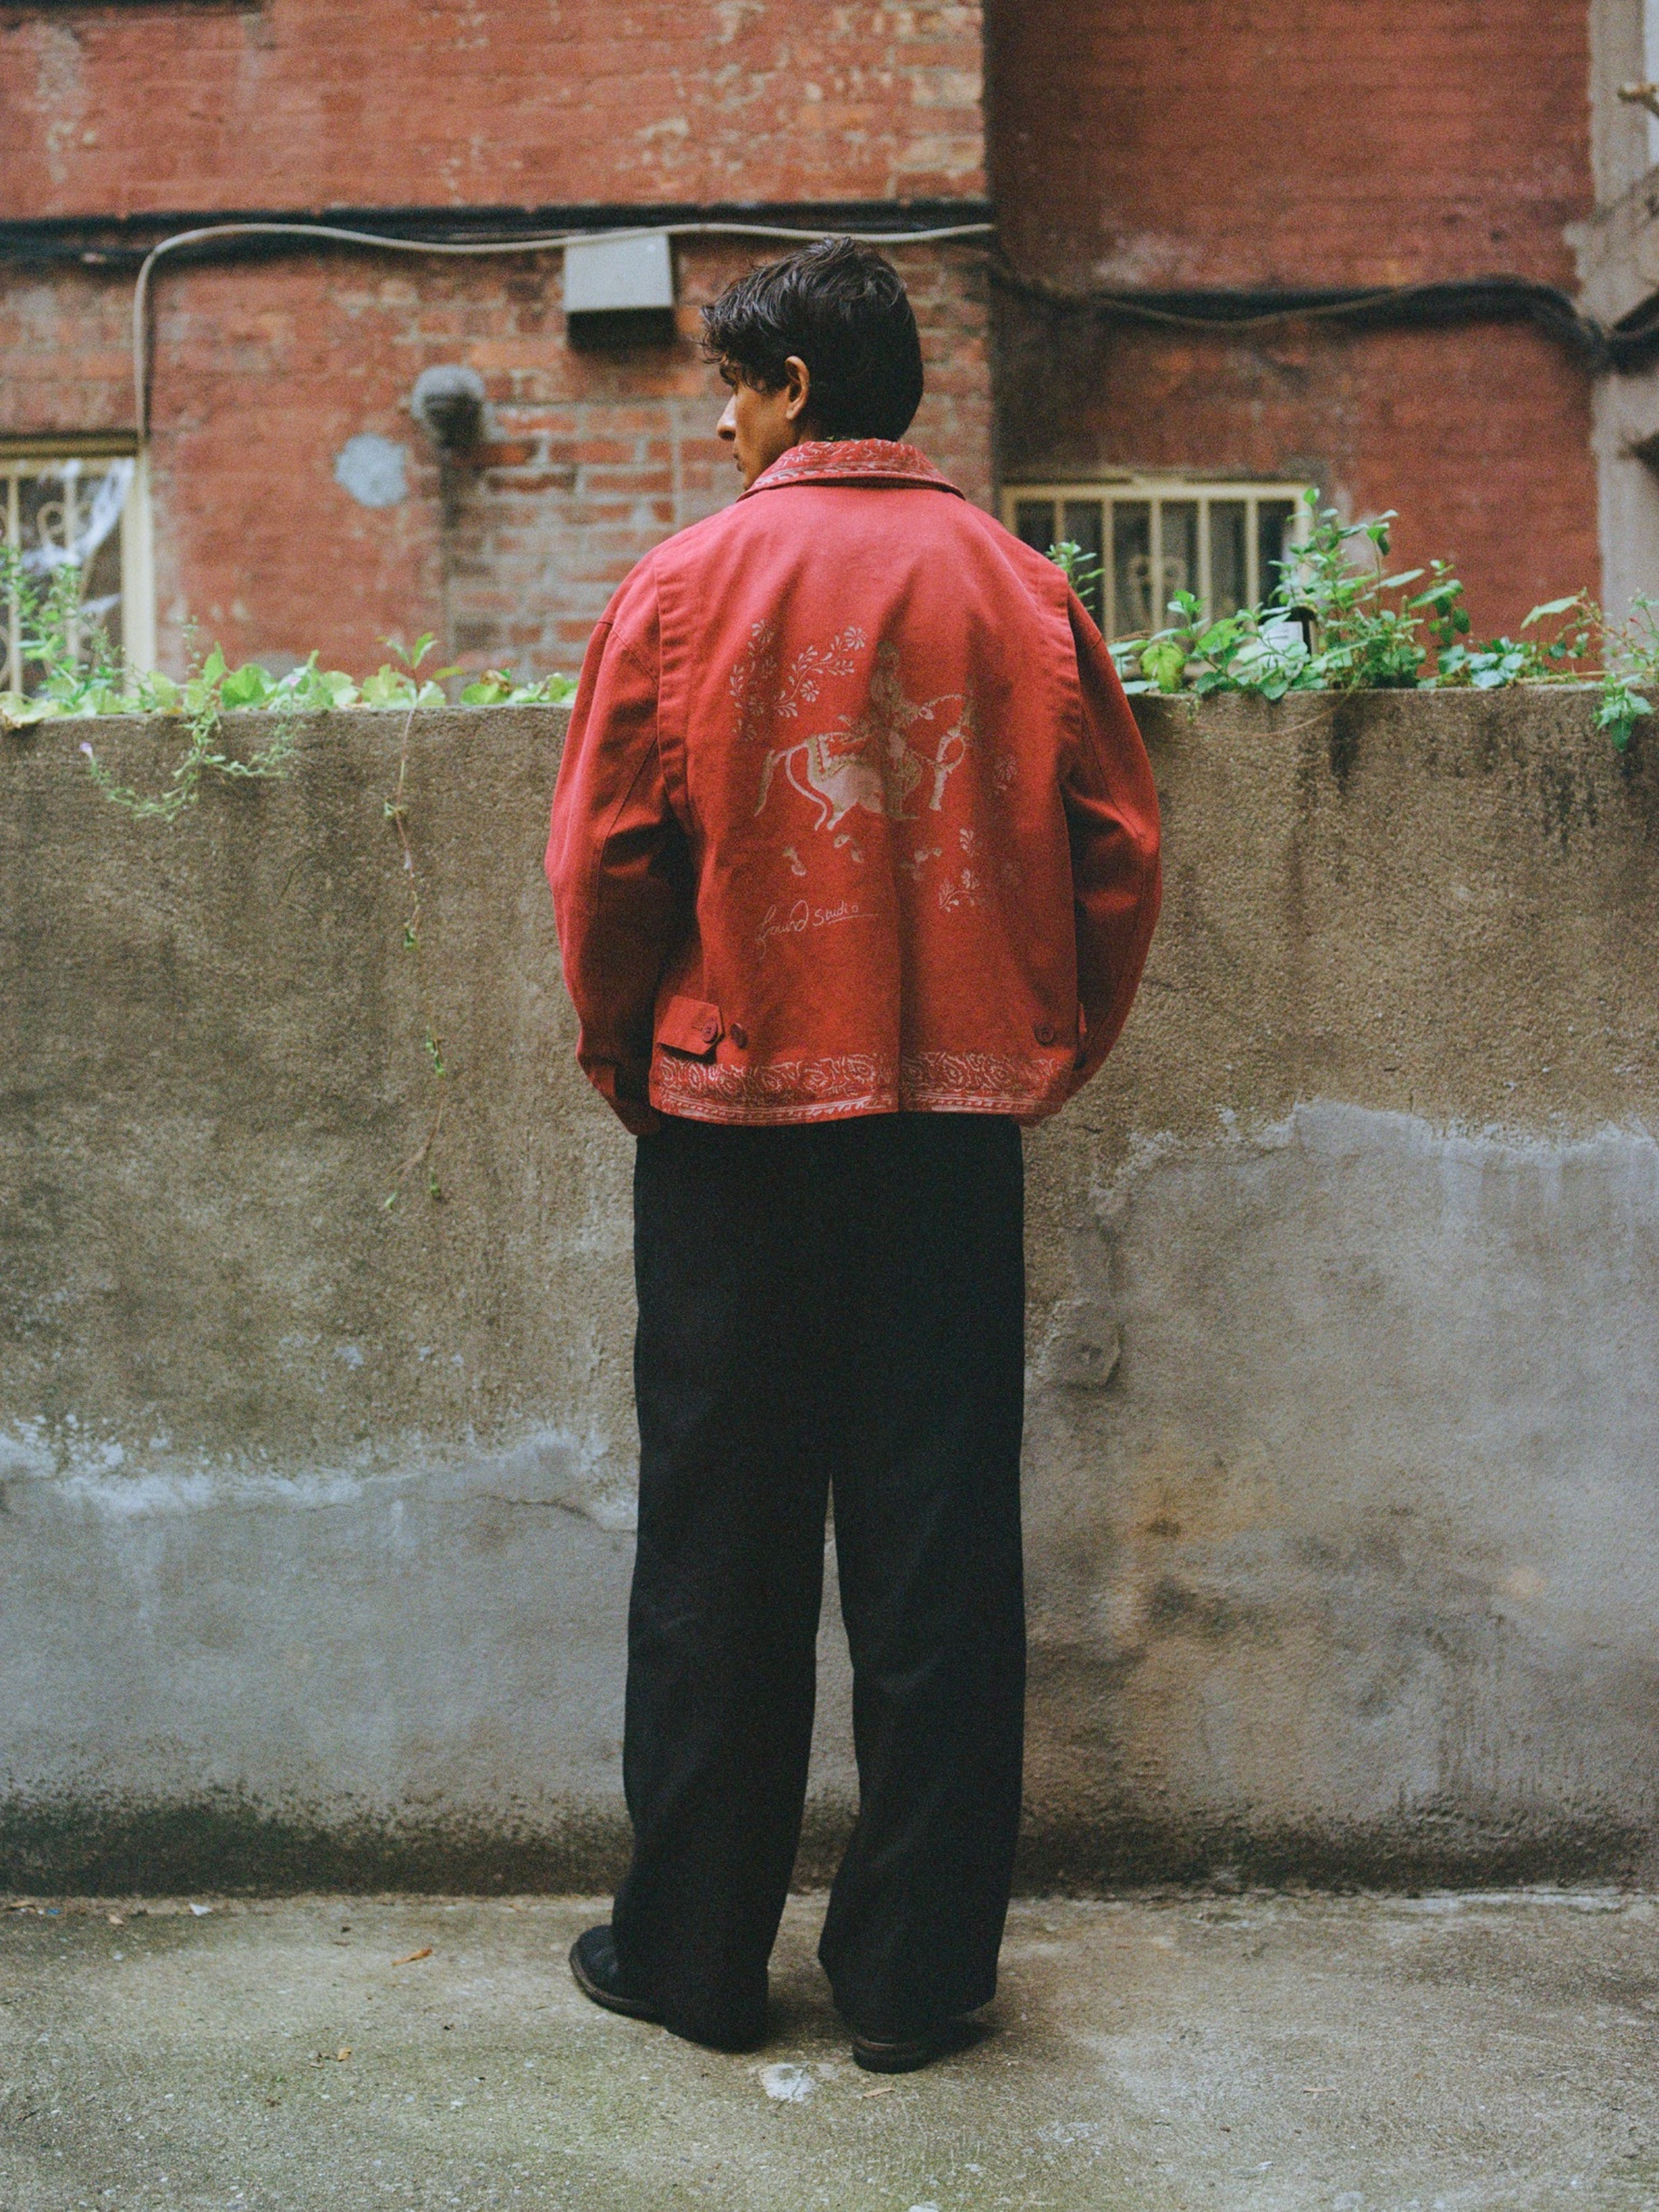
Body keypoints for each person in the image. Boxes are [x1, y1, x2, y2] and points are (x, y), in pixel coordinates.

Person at [546, 236, 1161, 2074]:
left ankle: (694, 1958)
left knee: (716, 1553)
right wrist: (1039, 1049)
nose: (722, 418)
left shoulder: (684, 584)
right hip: (947, 1132)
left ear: (799, 384)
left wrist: (630, 1060)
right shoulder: (1018, 588)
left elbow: (603, 870)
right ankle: (907, 1977)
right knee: (937, 1555)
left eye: (736, 384)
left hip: (731, 1128)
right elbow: (1115, 854)